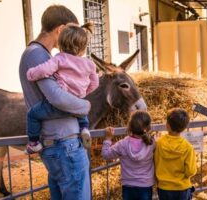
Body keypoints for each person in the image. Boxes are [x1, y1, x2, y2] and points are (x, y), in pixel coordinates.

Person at [19, 5, 91, 200]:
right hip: (64, 145)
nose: (75, 40)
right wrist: (85, 106)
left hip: (61, 145)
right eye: (71, 31)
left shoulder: (44, 55)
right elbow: (57, 98)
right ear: (60, 30)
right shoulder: (37, 54)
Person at [25, 22, 98, 154]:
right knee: (81, 111)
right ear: (83, 48)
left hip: (60, 106)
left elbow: (44, 70)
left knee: (33, 114)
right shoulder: (89, 64)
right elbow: (95, 83)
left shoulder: (59, 59)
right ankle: (84, 128)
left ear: (61, 44)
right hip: (77, 104)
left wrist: (30, 74)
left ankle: (34, 142)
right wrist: (84, 92)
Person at [102, 111, 155, 200]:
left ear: (129, 126)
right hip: (146, 184)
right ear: (148, 127)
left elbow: (106, 155)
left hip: (128, 185)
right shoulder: (152, 143)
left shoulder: (123, 144)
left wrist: (108, 139)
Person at [154, 108, 197, 200]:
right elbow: (191, 171)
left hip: (164, 188)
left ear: (167, 126)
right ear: (184, 127)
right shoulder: (188, 147)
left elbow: (156, 162)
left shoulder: (159, 143)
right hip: (182, 188)